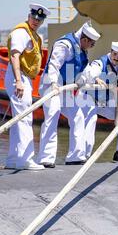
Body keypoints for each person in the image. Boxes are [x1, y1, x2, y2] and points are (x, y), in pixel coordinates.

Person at [36, 22, 101, 168]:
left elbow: (83, 69)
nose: (92, 47)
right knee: (53, 114)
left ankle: (75, 156)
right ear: (85, 40)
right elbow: (54, 65)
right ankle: (46, 158)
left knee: (77, 116)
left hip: (66, 88)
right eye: (92, 44)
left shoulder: (83, 50)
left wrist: (88, 79)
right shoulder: (65, 44)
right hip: (51, 85)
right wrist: (53, 84)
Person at [4, 3, 50, 170]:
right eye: (34, 17)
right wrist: (18, 81)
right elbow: (15, 56)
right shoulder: (21, 33)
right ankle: (26, 159)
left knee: (18, 120)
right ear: (29, 16)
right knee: (24, 118)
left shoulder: (34, 35)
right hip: (19, 76)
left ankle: (13, 159)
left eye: (40, 18)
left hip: (24, 77)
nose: (36, 20)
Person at [81, 41, 118, 159]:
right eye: (114, 54)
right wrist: (96, 79)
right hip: (90, 99)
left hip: (107, 101)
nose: (116, 58)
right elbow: (91, 72)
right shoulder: (100, 62)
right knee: (89, 124)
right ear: (111, 52)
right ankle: (83, 157)